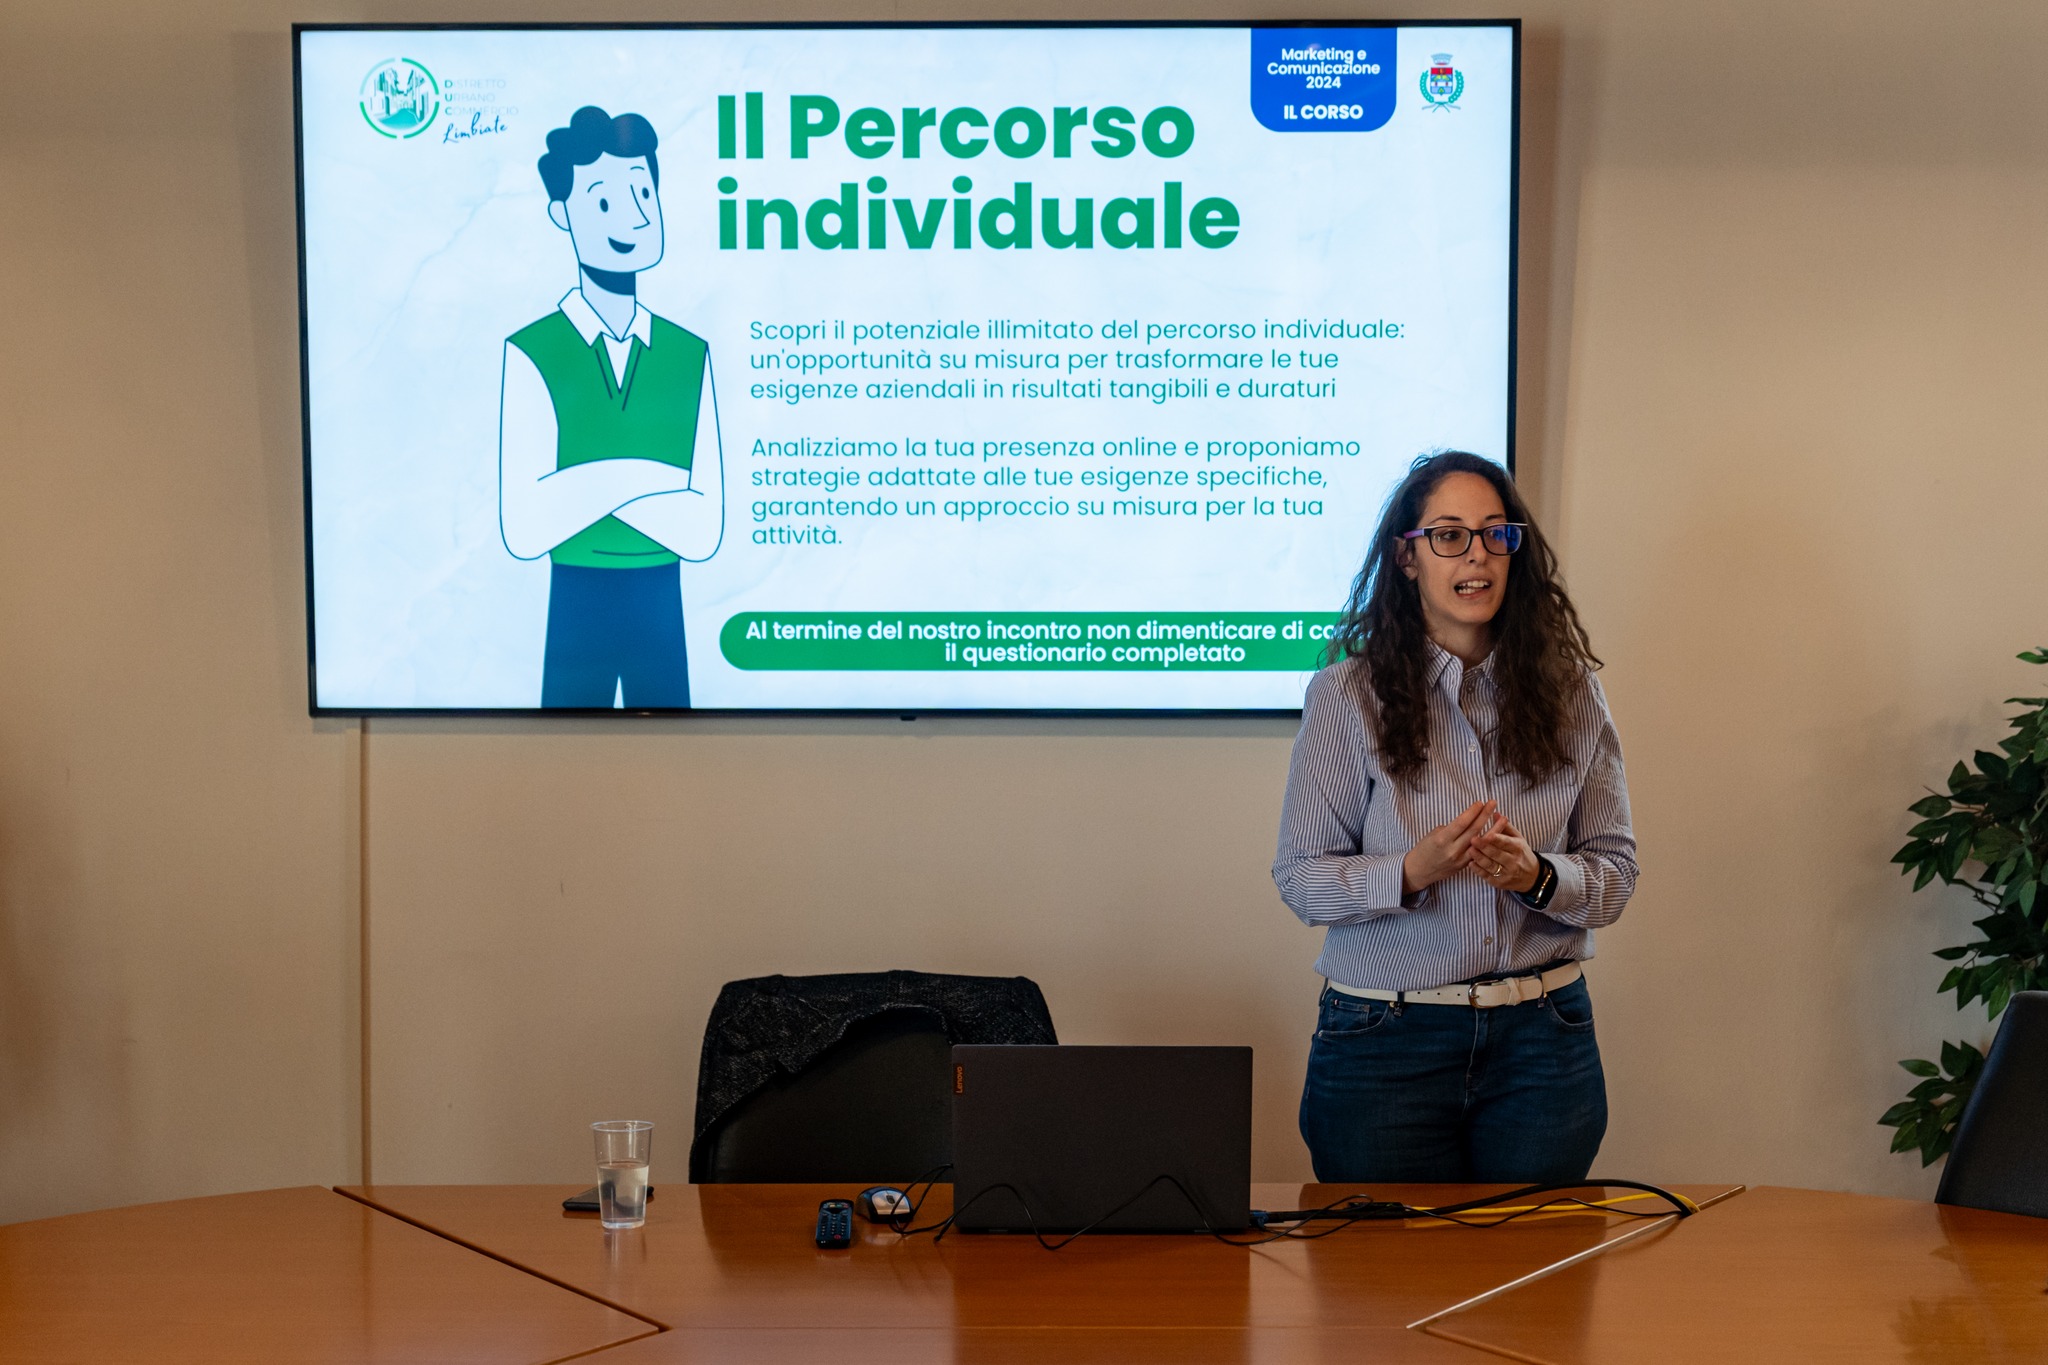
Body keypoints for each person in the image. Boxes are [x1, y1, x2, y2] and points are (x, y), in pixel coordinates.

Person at [1272, 451, 1638, 1182]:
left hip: (1543, 1041)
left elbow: (1616, 873)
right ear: (1407, 558)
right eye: (1449, 535)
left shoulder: (1573, 693)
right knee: (1384, 1260)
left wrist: (1538, 877)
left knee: (1534, 1258)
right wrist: (1411, 871)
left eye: (1495, 534)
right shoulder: (1346, 696)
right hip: (1384, 1039)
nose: (1477, 555)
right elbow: (1301, 878)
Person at [498, 105, 725, 708]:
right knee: (560, 759)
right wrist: (653, 478)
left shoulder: (688, 354)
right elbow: (524, 528)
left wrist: (579, 490)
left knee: (681, 755)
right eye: (603, 201)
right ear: (562, 214)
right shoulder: (532, 351)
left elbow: (704, 530)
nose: (633, 218)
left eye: (644, 194)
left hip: (661, 602)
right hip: (576, 603)